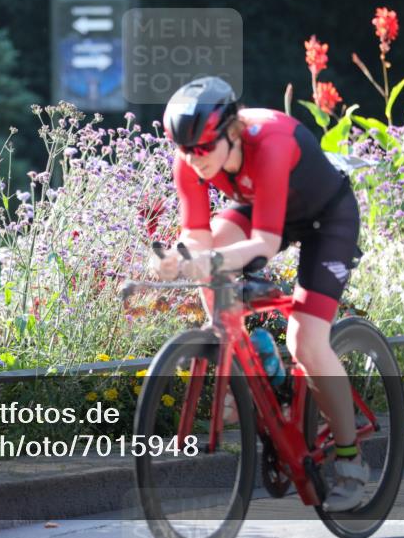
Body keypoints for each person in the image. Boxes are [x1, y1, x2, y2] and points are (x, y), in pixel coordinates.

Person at [149, 76, 368, 512]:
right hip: (259, 205)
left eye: (203, 149)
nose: (194, 161)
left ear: (231, 133)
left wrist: (206, 261)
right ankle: (245, 355)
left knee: (305, 339)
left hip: (326, 219)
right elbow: (195, 235)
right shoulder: (190, 159)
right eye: (185, 150)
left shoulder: (269, 143)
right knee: (208, 252)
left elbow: (265, 245)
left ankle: (351, 463)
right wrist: (174, 258)